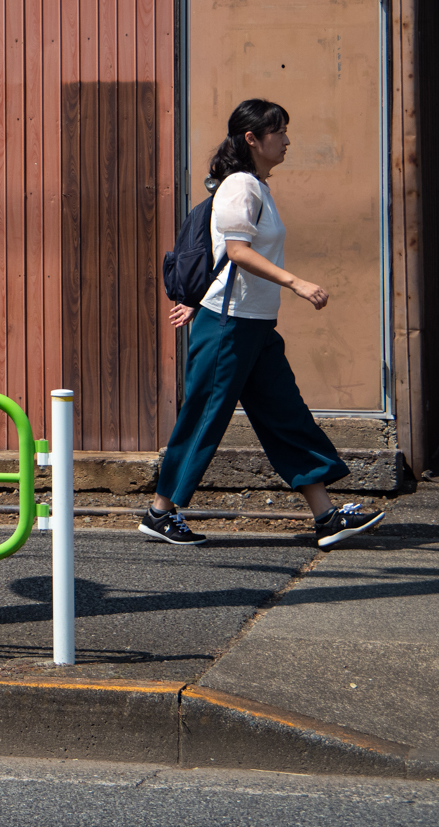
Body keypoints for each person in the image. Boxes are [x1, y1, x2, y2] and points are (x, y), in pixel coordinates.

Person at [141, 98, 386, 549]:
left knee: (284, 413)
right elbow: (235, 252)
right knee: (204, 416)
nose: (287, 140)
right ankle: (160, 512)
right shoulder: (241, 186)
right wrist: (296, 282)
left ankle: (327, 516)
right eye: (279, 132)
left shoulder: (257, 186)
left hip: (253, 324)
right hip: (229, 325)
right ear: (252, 138)